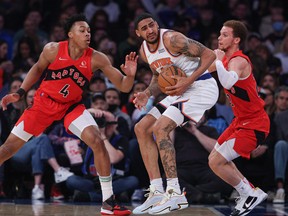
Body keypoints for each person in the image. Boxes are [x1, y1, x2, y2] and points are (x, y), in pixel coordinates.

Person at [0, 14, 138, 215]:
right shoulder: (53, 49)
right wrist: (20, 92)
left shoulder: (97, 57)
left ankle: (108, 202)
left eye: (89, 31)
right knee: (8, 149)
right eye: (82, 30)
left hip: (71, 107)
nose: (87, 33)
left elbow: (124, 87)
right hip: (44, 103)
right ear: (70, 34)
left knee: (97, 141)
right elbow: (37, 68)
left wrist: (131, 76)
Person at [132, 13, 218, 214]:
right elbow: (159, 76)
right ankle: (156, 192)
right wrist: (147, 93)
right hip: (179, 91)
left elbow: (209, 55)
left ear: (157, 24)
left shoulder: (173, 39)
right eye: (144, 28)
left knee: (161, 129)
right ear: (138, 33)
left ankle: (175, 193)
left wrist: (187, 81)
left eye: (151, 25)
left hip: (201, 87)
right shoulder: (144, 51)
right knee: (141, 128)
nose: (150, 30)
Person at [208, 20, 270, 216]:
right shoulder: (224, 59)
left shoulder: (239, 60)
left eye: (224, 34)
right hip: (240, 122)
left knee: (217, 162)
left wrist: (217, 60)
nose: (219, 37)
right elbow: (199, 70)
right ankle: (249, 193)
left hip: (255, 124)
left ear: (236, 40)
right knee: (214, 159)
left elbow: (226, 80)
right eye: (219, 33)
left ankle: (249, 193)